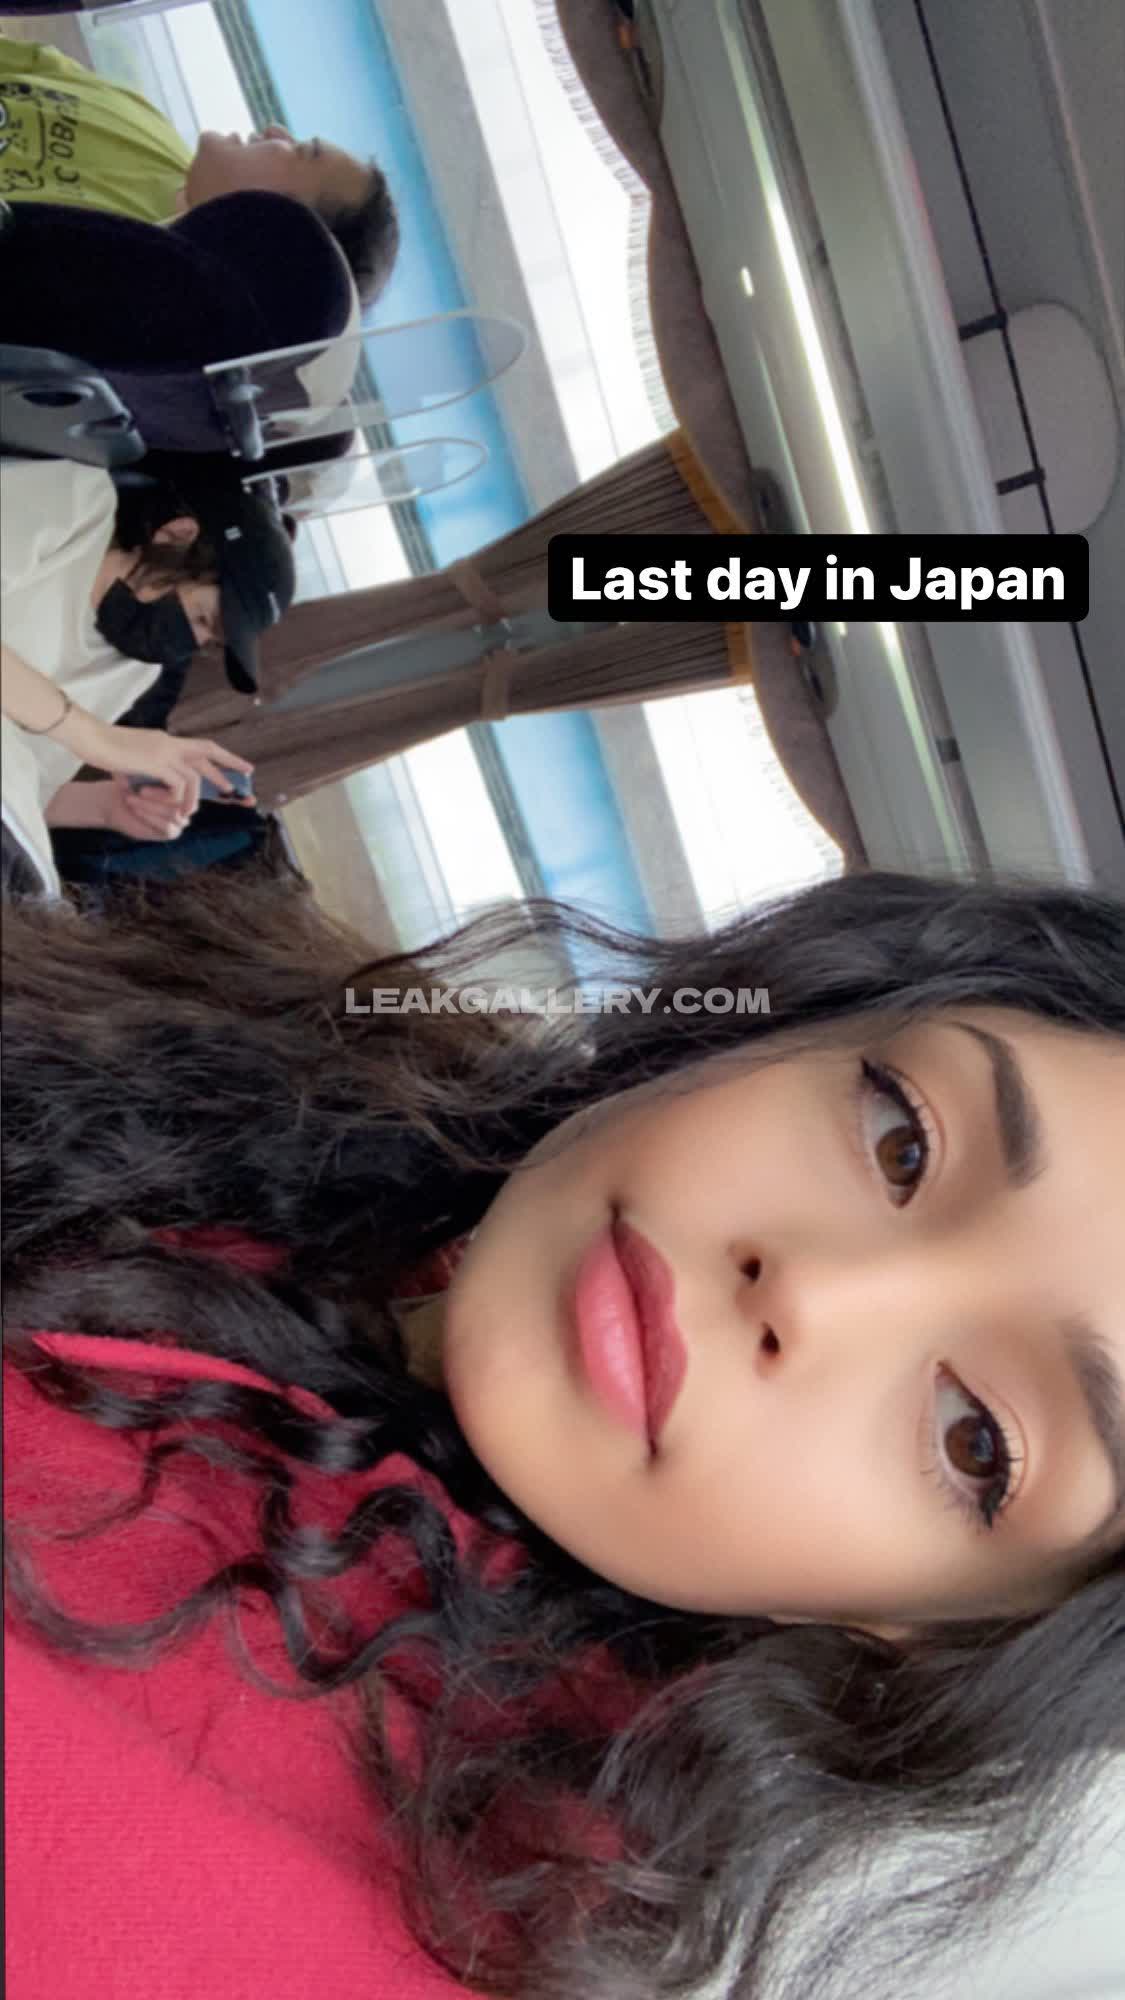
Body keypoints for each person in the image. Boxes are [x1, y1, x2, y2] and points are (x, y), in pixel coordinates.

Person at [3, 867, 1124, 2000]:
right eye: (901, 1142)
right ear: (786, 1024)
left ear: (929, 1635)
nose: (814, 1290)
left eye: (975, 1440)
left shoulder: (394, 1913)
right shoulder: (292, 1056)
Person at [1, 452, 294, 894]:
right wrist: (97, 739)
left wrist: (102, 808)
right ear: (177, 535)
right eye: (202, 618)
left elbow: (24, 781)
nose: (191, 643)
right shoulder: (79, 502)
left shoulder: (134, 670)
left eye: (208, 641)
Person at [0, 34, 400, 304]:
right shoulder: (146, 123)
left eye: (302, 152)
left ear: (278, 228)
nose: (275, 130)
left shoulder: (103, 288)